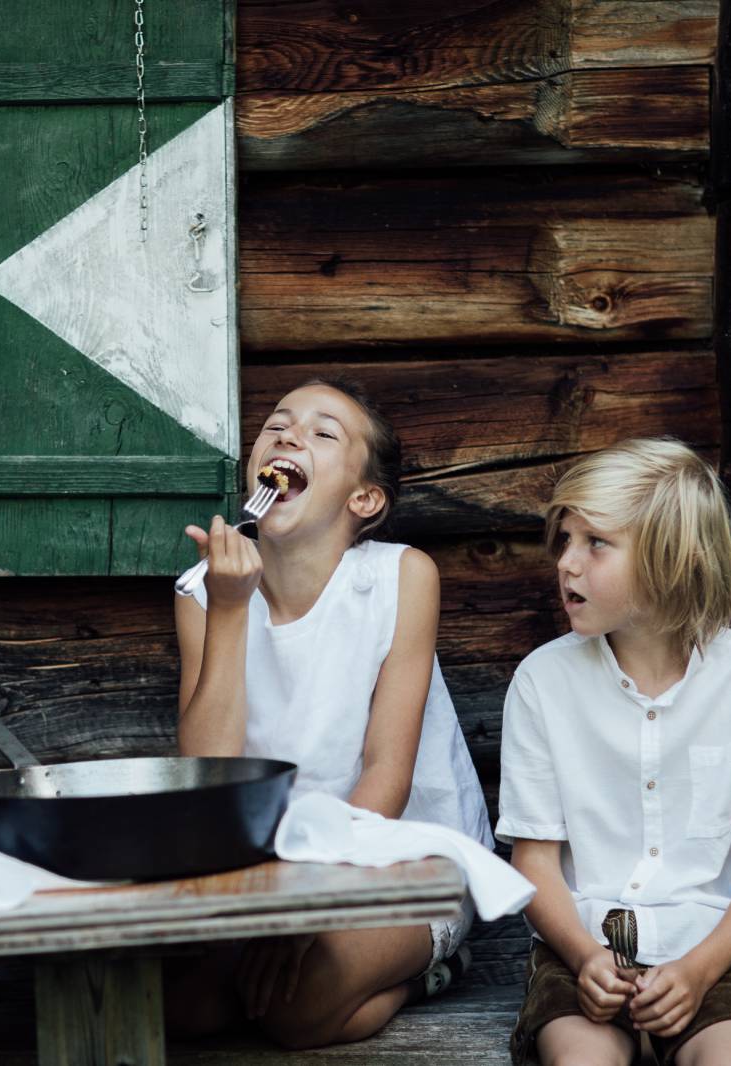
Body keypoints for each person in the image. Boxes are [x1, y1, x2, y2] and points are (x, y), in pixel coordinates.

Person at [168, 379, 492, 1049]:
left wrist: (311, 909)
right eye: (277, 425)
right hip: (270, 872)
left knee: (295, 1011)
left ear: (363, 499)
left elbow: (387, 775)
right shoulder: (204, 592)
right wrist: (230, 610)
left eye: (322, 434)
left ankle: (429, 973)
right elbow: (211, 780)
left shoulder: (401, 577)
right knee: (187, 1012)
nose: (288, 435)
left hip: (399, 853)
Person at [499, 438, 731, 1066]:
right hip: (581, 953)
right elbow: (533, 861)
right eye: (564, 541)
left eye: (595, 543)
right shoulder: (542, 682)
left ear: (672, 558)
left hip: (720, 954)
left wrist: (700, 970)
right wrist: (585, 957)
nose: (567, 562)